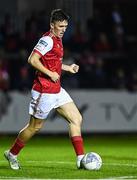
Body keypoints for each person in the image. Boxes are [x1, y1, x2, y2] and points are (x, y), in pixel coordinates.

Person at [4, 9, 85, 170]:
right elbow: (32, 59)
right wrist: (49, 73)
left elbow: (52, 62)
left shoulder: (58, 38)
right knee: (35, 127)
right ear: (51, 25)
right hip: (43, 90)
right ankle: (12, 154)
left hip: (56, 89)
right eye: (60, 26)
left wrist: (67, 67)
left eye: (65, 26)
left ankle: (81, 159)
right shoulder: (47, 40)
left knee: (76, 119)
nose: (63, 29)